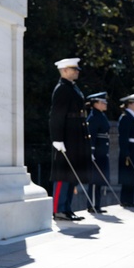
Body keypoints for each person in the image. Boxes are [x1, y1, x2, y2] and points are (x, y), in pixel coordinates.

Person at [48, 58, 90, 222]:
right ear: (64, 70)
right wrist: (57, 139)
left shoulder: (72, 87)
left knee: (72, 174)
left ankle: (67, 208)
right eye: (74, 69)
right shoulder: (62, 89)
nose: (77, 71)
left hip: (75, 137)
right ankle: (58, 209)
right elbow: (56, 116)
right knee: (63, 174)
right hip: (65, 137)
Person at [85, 92, 111, 213]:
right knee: (95, 180)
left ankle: (97, 204)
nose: (105, 104)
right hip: (97, 153)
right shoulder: (94, 117)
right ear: (96, 103)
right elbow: (92, 136)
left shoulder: (100, 115)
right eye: (103, 102)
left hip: (102, 152)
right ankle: (93, 205)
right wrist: (91, 152)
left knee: (100, 179)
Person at [117, 94, 134, 208]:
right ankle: (125, 200)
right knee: (127, 175)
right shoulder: (126, 117)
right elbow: (123, 137)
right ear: (129, 104)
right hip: (129, 148)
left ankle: (129, 200)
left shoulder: (132, 116)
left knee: (132, 175)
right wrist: (125, 151)